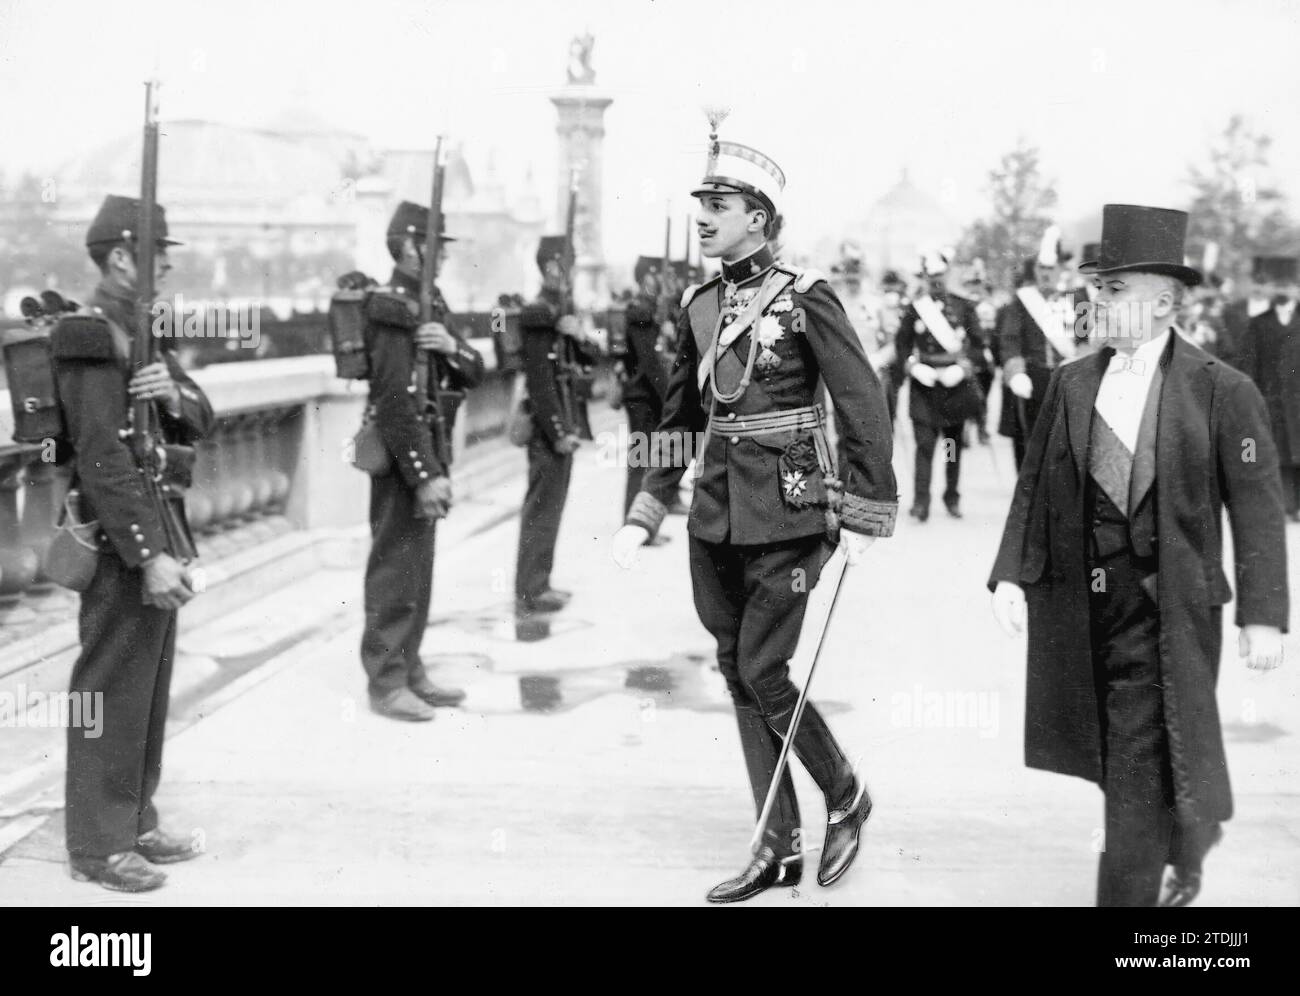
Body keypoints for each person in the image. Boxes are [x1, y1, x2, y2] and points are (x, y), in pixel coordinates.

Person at [612, 127, 897, 902]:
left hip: (794, 511)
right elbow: (678, 418)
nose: (703, 216)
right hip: (715, 518)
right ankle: (779, 846)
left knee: (763, 669)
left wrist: (868, 510)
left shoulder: (806, 297)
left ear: (761, 218)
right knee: (740, 675)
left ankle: (846, 794)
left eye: (720, 204)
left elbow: (863, 402)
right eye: (701, 202)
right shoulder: (700, 304)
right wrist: (648, 505)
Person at [989, 203, 1288, 907]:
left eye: (1114, 290)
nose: (1096, 301)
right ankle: (1192, 837)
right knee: (1130, 758)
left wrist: (1264, 614)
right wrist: (1010, 572)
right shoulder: (1071, 382)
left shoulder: (1223, 390)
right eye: (1095, 287)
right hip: (1088, 610)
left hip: (1175, 610)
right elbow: (1036, 484)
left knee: (1135, 765)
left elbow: (1255, 506)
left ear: (1163, 302)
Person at [53, 194, 214, 891]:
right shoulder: (90, 335)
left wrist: (171, 395)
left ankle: (134, 819)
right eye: (159, 254)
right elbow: (100, 459)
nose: (169, 266)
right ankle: (97, 844)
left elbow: (203, 415)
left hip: (156, 522)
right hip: (122, 537)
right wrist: (149, 556)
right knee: (110, 685)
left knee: (146, 686)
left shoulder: (143, 330)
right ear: (122, 258)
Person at [360, 201, 485, 721]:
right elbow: (393, 399)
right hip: (402, 463)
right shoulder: (391, 307)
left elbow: (476, 370)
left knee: (418, 568)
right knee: (394, 569)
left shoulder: (430, 303)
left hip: (430, 451)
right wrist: (425, 475)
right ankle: (386, 682)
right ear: (410, 247)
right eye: (436, 246)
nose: (443, 258)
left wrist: (451, 346)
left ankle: (409, 669)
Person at [515, 236, 599, 613]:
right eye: (570, 264)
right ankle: (531, 589)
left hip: (564, 422)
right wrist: (559, 432)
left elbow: (592, 355)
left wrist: (576, 333)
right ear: (552, 267)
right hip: (549, 428)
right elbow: (540, 382)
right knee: (542, 508)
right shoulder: (537, 312)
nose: (574, 271)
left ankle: (540, 582)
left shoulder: (560, 311)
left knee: (552, 506)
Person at [893, 250, 985, 520]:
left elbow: (979, 346)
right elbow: (901, 344)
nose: (936, 281)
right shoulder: (915, 308)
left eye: (940, 275)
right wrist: (913, 366)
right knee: (924, 445)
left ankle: (951, 496)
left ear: (947, 273)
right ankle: (921, 501)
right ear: (924, 276)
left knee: (951, 447)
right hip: (925, 385)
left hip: (954, 386)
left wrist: (962, 368)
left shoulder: (963, 306)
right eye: (930, 276)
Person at [997, 227, 1078, 469]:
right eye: (1041, 268)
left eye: (1050, 268)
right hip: (1033, 379)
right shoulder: (1022, 302)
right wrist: (1016, 372)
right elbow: (1009, 339)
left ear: (1061, 270)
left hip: (1068, 378)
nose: (1045, 273)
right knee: (1031, 445)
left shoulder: (1076, 300)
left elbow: (1085, 342)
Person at [1239, 256, 1300, 521]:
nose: (1283, 291)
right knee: (1279, 454)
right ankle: (1286, 507)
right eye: (1279, 286)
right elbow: (1249, 365)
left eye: (1288, 285)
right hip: (1272, 400)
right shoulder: (1259, 323)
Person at [616, 257, 671, 521]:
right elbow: (649, 363)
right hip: (643, 396)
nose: (656, 286)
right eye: (652, 281)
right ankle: (632, 518)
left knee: (646, 460)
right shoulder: (641, 312)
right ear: (642, 282)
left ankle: (638, 517)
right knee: (640, 462)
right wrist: (668, 397)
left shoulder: (649, 311)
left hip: (645, 396)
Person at [1219, 258, 1275, 371]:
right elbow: (1224, 345)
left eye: (1263, 283)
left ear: (1271, 285)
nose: (1259, 288)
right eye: (1256, 282)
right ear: (1250, 282)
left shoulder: (1278, 312)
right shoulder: (1232, 310)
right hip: (1235, 370)